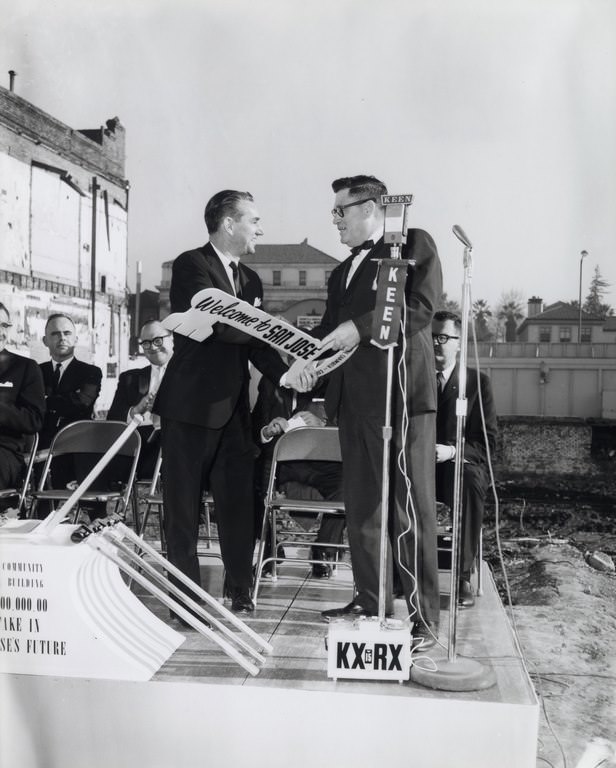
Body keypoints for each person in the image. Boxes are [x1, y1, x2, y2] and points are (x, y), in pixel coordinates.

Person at [154, 189, 312, 616]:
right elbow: (218, 328)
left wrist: (288, 372)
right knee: (182, 510)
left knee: (239, 504)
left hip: (234, 414)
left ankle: (240, 591)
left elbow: (257, 349)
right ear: (228, 224)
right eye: (253, 220)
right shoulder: (192, 266)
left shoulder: (252, 282)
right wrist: (266, 330)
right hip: (188, 408)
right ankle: (184, 602)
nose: (260, 228)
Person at [312, 175, 442, 649]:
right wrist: (306, 366)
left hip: (402, 397)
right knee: (363, 508)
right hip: (354, 401)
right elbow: (329, 335)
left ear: (369, 208)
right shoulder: (342, 271)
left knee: (411, 510)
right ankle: (371, 600)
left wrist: (359, 327)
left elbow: (421, 309)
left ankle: (425, 619)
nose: (336, 222)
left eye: (340, 212)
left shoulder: (412, 244)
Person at [432, 310, 497, 607]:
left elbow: (486, 444)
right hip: (419, 468)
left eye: (443, 337)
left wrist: (452, 451)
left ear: (459, 343)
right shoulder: (412, 380)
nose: (436, 343)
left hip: (455, 467)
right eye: (432, 337)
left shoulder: (476, 383)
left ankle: (462, 576)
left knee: (471, 482)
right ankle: (399, 570)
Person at [252, 377, 345, 578]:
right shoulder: (270, 382)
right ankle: (270, 551)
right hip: (280, 463)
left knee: (348, 484)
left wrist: (323, 423)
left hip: (319, 462)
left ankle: (322, 549)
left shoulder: (328, 381)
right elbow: (255, 424)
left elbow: (346, 421)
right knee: (250, 481)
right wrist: (267, 431)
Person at [35, 313, 103, 517]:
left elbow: (81, 403)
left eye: (67, 333)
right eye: (55, 334)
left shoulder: (91, 372)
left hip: (78, 447)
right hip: (43, 447)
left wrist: (47, 400)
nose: (62, 338)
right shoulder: (36, 372)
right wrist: (64, 398)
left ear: (75, 339)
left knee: (92, 508)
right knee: (44, 507)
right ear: (45, 340)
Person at [107, 319, 173, 479]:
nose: (153, 347)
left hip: (174, 442)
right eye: (146, 343)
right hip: (138, 443)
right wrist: (136, 410)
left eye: (158, 340)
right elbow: (113, 419)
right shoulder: (129, 378)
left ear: (172, 339)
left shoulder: (190, 375)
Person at [0, 302, 45, 501]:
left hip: (4, 452)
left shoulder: (23, 367)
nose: (0, 332)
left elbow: (34, 420)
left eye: (4, 325)